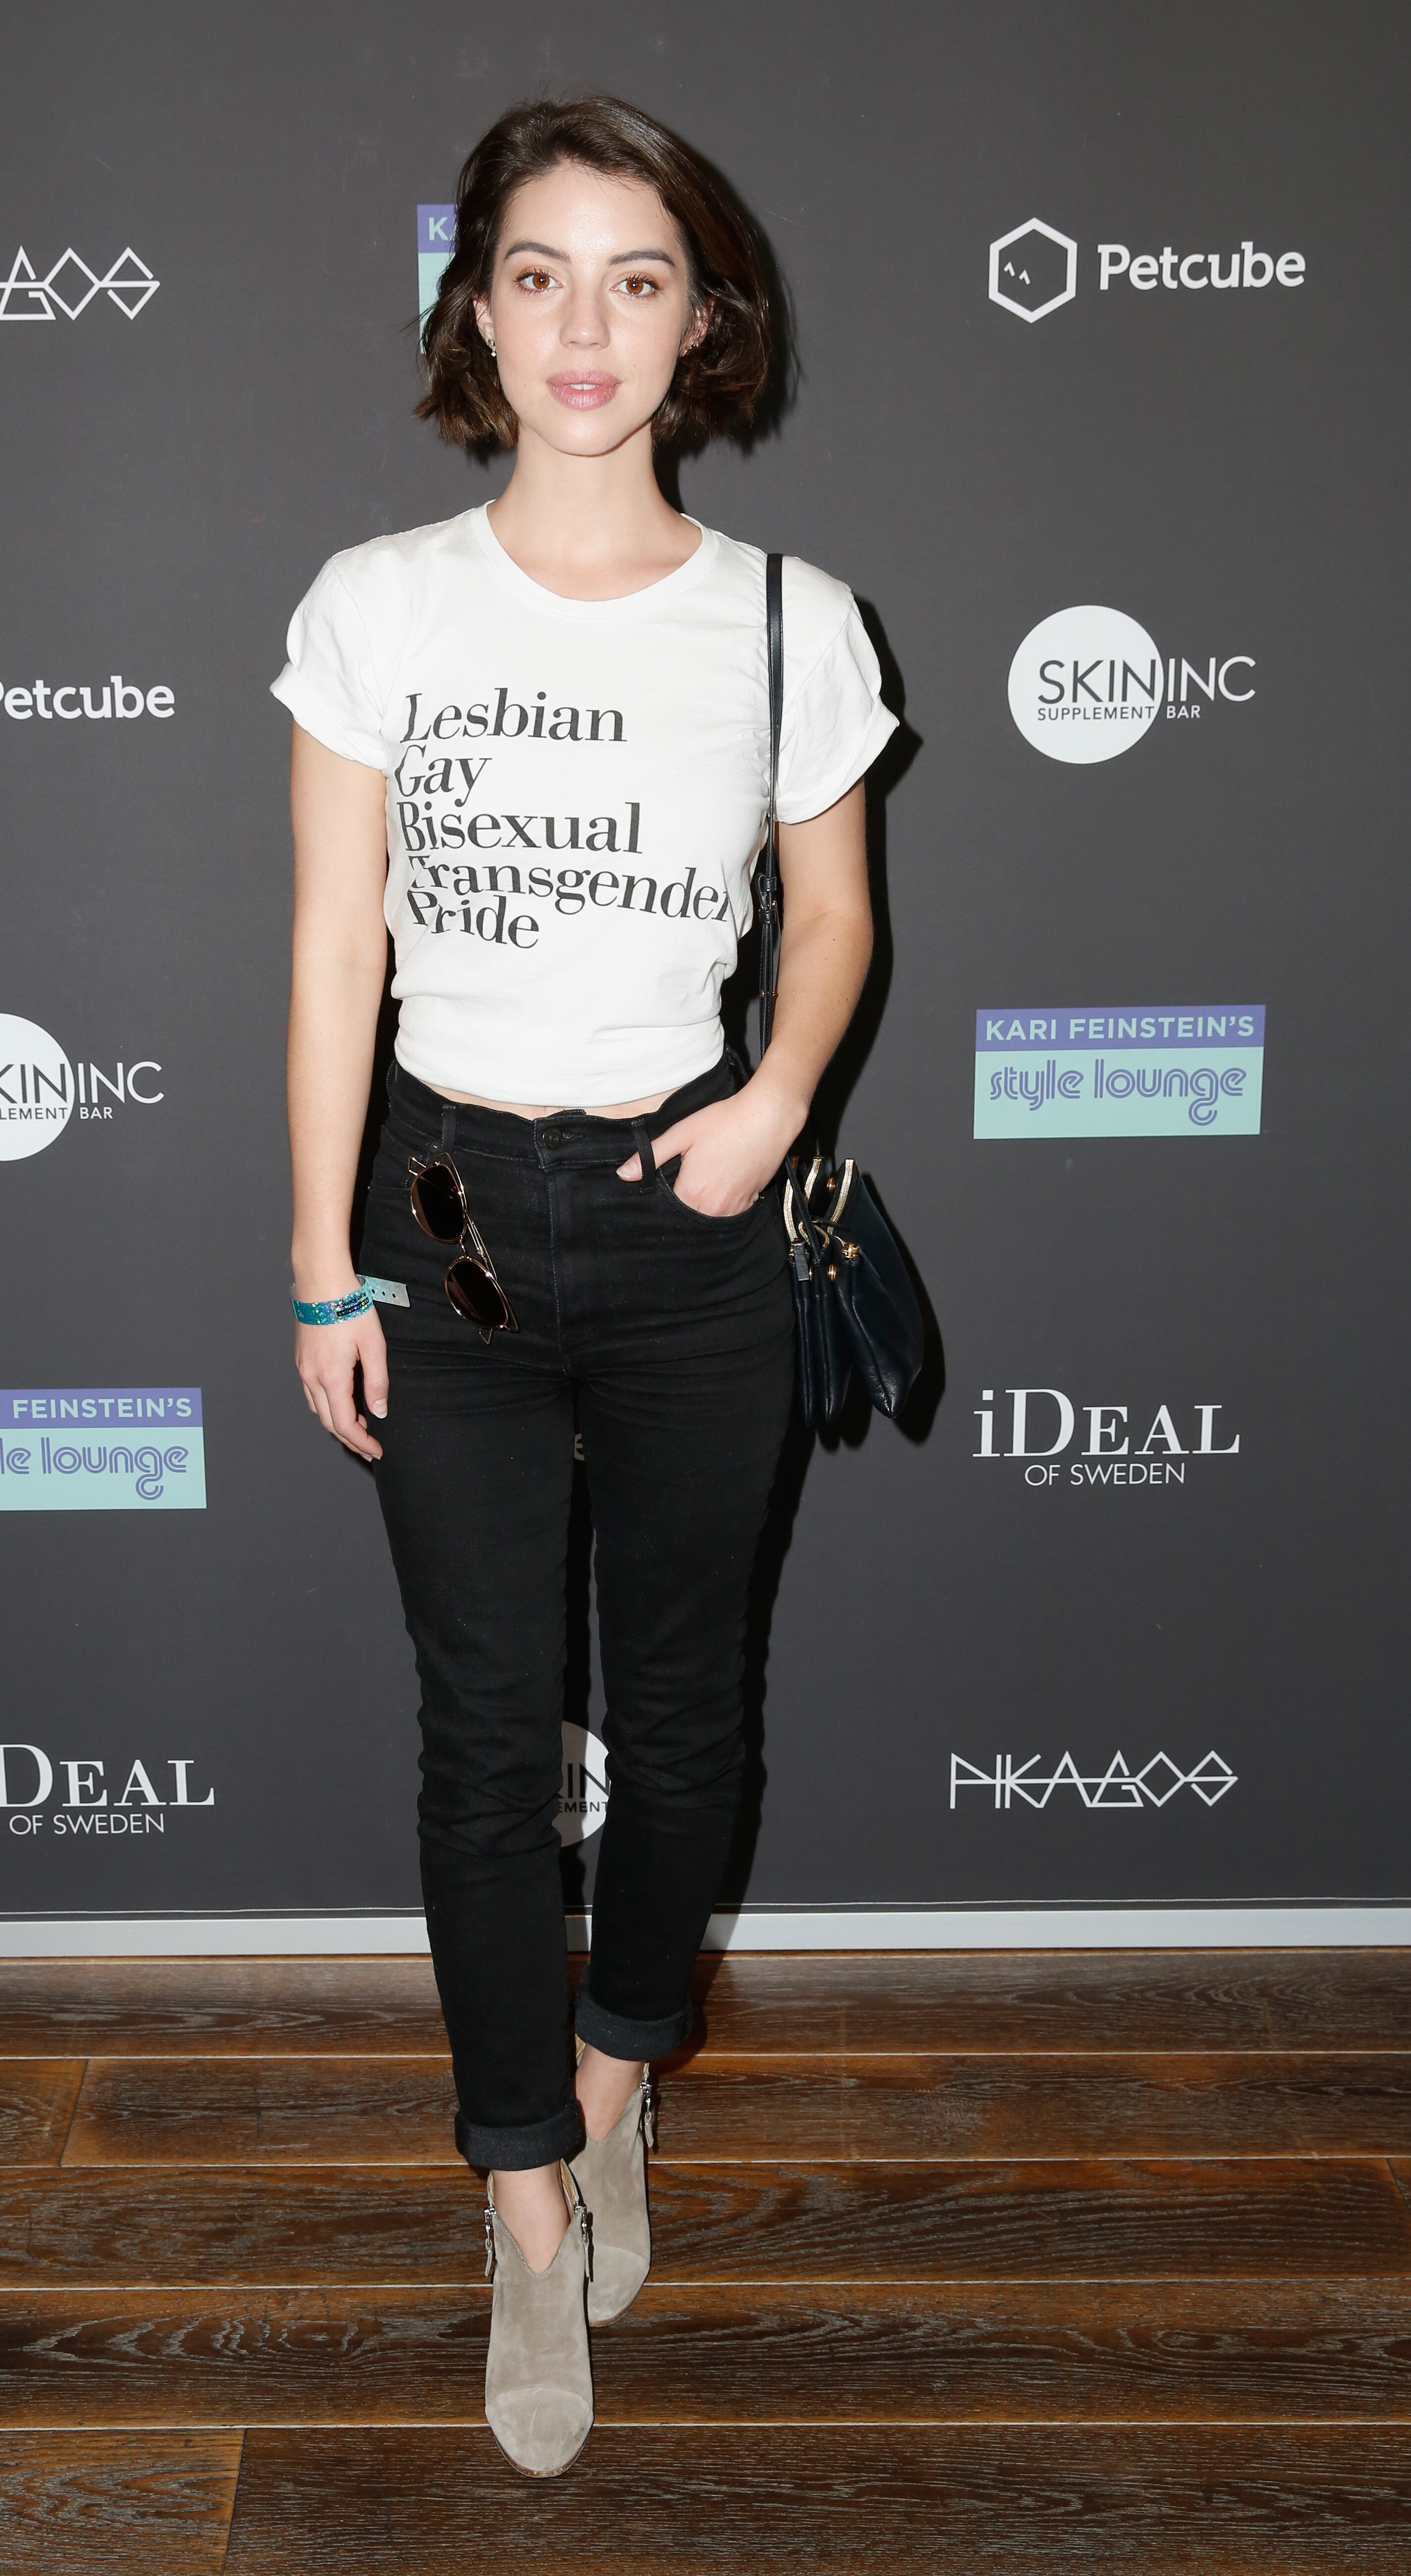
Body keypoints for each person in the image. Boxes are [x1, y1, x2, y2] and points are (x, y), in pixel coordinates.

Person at [273, 94, 894, 2476]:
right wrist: (316, 1259)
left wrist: (780, 1099)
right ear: (478, 308)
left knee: (692, 1711)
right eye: (539, 272)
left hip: (691, 1208)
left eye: (639, 278)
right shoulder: (379, 602)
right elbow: (336, 947)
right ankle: (524, 2199)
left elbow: (831, 915)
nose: (585, 326)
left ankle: (621, 2077)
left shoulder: (790, 619)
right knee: (482, 1730)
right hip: (441, 1219)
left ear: (703, 320)